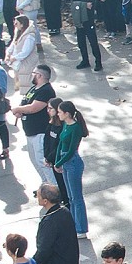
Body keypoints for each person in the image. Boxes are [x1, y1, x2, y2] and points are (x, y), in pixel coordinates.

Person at [51, 100, 90, 237]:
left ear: (67, 113)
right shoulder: (65, 125)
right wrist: (57, 161)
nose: (58, 114)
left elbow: (71, 150)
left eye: (60, 112)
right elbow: (60, 144)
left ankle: (81, 228)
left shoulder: (75, 128)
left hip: (73, 162)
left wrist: (59, 163)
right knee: (70, 197)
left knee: (77, 197)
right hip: (65, 162)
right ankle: (74, 224)